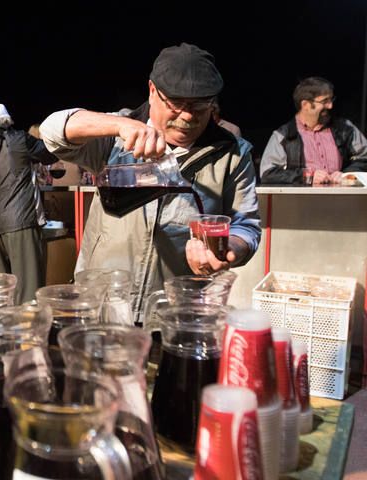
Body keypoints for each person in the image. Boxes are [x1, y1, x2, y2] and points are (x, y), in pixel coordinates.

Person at [40, 43, 261, 311]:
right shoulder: (116, 136)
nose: (188, 116)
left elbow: (245, 227)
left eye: (200, 107)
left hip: (176, 307)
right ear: (153, 91)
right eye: (177, 104)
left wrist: (229, 251)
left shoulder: (233, 153)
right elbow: (51, 131)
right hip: (105, 300)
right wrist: (120, 125)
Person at [0, 104, 58, 303]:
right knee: (28, 294)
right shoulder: (18, 139)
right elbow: (49, 153)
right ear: (7, 121)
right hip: (21, 223)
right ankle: (28, 332)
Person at [261, 77, 367, 184]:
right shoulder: (284, 135)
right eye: (325, 101)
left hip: (344, 199)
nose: (330, 106)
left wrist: (348, 174)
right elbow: (267, 174)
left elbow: (364, 158)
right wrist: (306, 177)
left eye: (331, 99)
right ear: (305, 105)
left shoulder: (345, 128)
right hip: (299, 200)